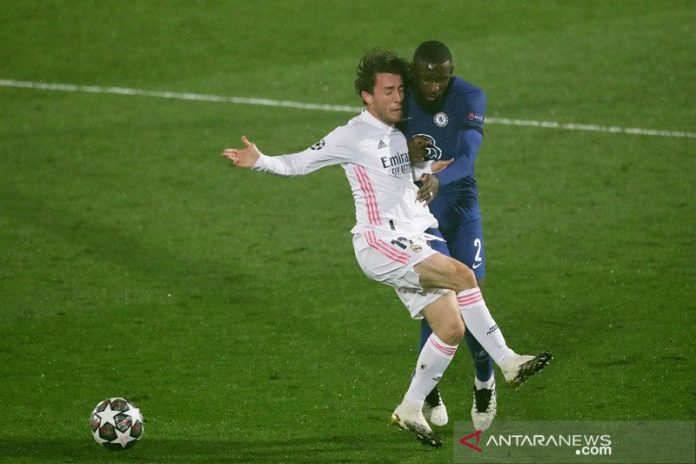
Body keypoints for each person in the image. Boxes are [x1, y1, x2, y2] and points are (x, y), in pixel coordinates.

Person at [222, 49, 551, 447]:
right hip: (379, 242)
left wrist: (428, 171)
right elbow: (299, 163)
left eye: (400, 90)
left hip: (409, 237)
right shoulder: (350, 135)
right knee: (463, 275)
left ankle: (411, 407)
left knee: (450, 327)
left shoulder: (400, 134)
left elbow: (406, 180)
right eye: (389, 91)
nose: (399, 98)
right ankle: (507, 362)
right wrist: (260, 161)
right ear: (367, 96)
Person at [399, 40, 497, 431]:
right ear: (414, 73)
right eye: (427, 78)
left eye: (442, 78)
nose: (435, 86)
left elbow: (469, 155)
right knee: (436, 297)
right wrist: (406, 154)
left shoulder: (470, 96)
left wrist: (440, 178)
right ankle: (430, 388)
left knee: (471, 296)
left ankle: (485, 380)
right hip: (420, 212)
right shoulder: (399, 98)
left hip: (458, 206)